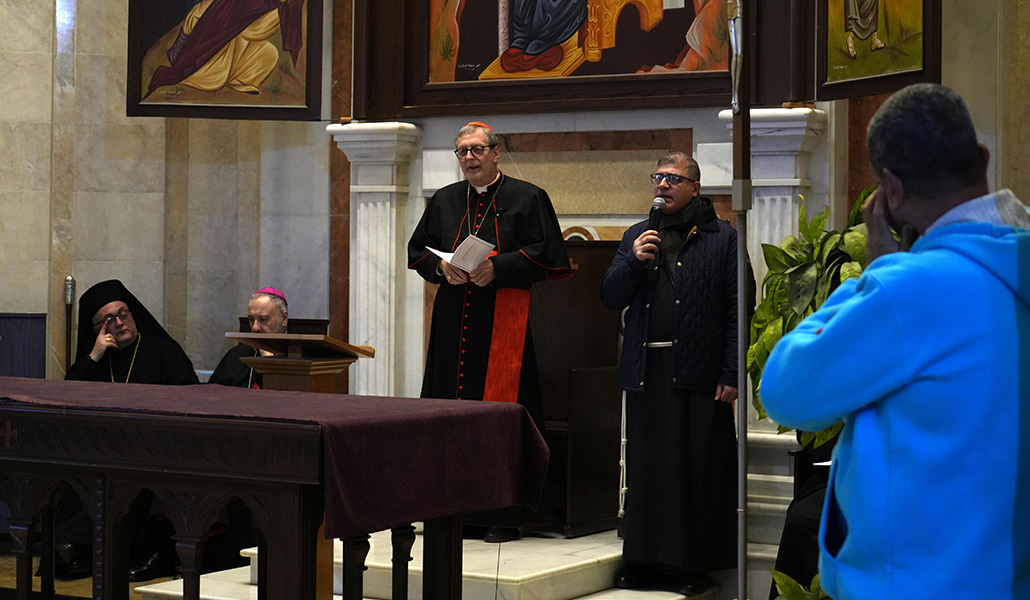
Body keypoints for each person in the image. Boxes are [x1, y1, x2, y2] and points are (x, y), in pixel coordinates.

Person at [760, 83, 1030, 599]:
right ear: (981, 157)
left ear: (890, 191)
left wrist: (876, 272)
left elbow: (785, 389)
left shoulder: (907, 288)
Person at [407, 121, 571, 542]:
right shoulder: (444, 200)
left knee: (500, 412)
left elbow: (550, 255)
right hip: (451, 318)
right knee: (446, 409)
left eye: (477, 149)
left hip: (503, 321)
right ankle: (449, 510)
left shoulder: (529, 197)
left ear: (496, 153)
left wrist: (498, 268)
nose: (469, 158)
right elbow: (417, 251)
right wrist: (441, 268)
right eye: (462, 151)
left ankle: (504, 515)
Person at [600, 152, 752, 596]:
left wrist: (731, 371)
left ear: (695, 188)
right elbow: (610, 296)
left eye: (672, 178)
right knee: (649, 471)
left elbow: (738, 309)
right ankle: (645, 561)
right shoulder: (636, 236)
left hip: (702, 374)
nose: (662, 185)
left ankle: (692, 566)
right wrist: (634, 260)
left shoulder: (722, 238)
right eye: (657, 178)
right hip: (648, 368)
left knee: (694, 471)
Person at [58, 279, 198, 581]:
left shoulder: (163, 350)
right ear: (96, 329)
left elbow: (192, 398)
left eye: (123, 314)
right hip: (106, 447)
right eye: (108, 320)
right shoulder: (97, 359)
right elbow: (67, 395)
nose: (119, 323)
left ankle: (146, 553)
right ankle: (79, 549)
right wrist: (94, 355)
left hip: (159, 446)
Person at [208, 287, 289, 388]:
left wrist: (267, 361)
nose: (255, 328)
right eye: (251, 320)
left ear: (284, 318)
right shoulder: (236, 356)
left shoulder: (302, 357)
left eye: (263, 319)